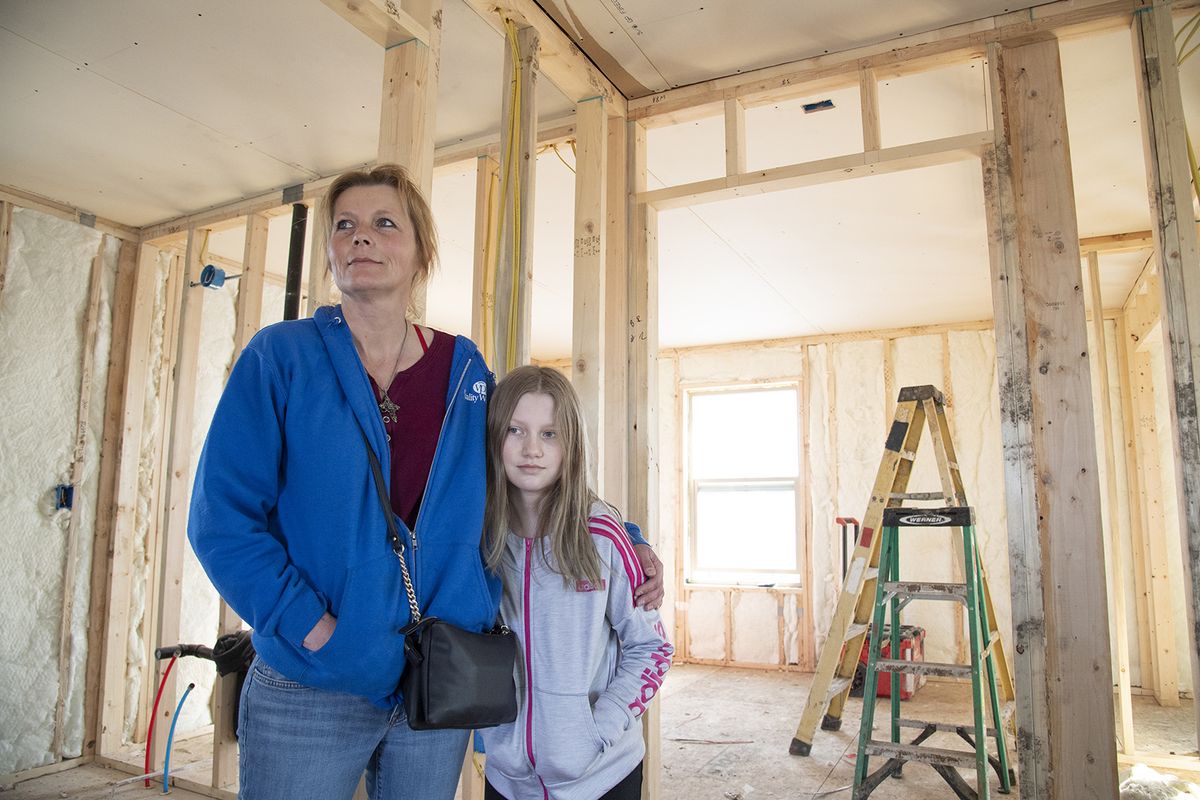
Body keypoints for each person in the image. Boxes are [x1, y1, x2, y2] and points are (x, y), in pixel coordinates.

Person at [187, 164, 663, 800]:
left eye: (385, 224)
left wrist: (626, 538)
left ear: (420, 252)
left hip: (438, 686)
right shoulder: (281, 358)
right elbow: (221, 521)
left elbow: (528, 468)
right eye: (346, 226)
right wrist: (314, 628)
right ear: (329, 251)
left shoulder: (462, 370)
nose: (363, 238)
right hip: (312, 682)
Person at [479, 365, 673, 800]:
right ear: (494, 438)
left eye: (550, 434)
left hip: (602, 776)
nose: (532, 449)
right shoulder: (478, 538)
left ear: (571, 445)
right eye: (515, 430)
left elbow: (653, 648)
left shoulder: (601, 537)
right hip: (507, 780)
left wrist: (600, 727)